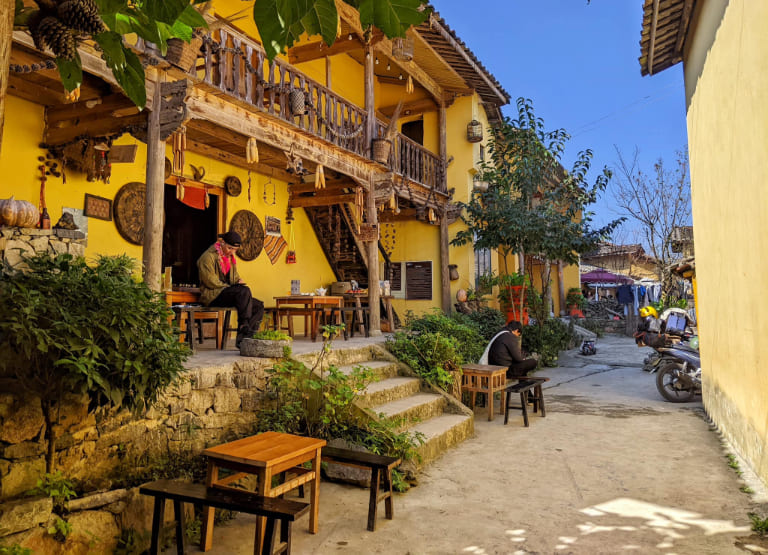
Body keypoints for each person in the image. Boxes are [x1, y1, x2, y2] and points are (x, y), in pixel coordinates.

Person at [197, 231, 264, 348]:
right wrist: (232, 288)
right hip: (213, 295)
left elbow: (234, 277)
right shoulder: (207, 257)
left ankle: (244, 339)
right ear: (222, 243)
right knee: (243, 291)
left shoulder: (230, 259)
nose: (232, 252)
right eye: (230, 248)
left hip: (227, 293)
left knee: (258, 306)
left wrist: (238, 281)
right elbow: (210, 281)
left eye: (234, 250)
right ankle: (244, 327)